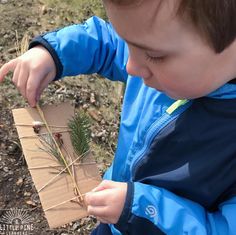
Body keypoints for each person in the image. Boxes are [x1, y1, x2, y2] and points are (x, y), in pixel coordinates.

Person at [0, 0, 236, 234]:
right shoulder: (158, 47)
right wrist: (54, 52)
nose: (131, 66)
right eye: (129, 44)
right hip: (116, 214)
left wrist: (142, 208)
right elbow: (111, 42)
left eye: (154, 55)